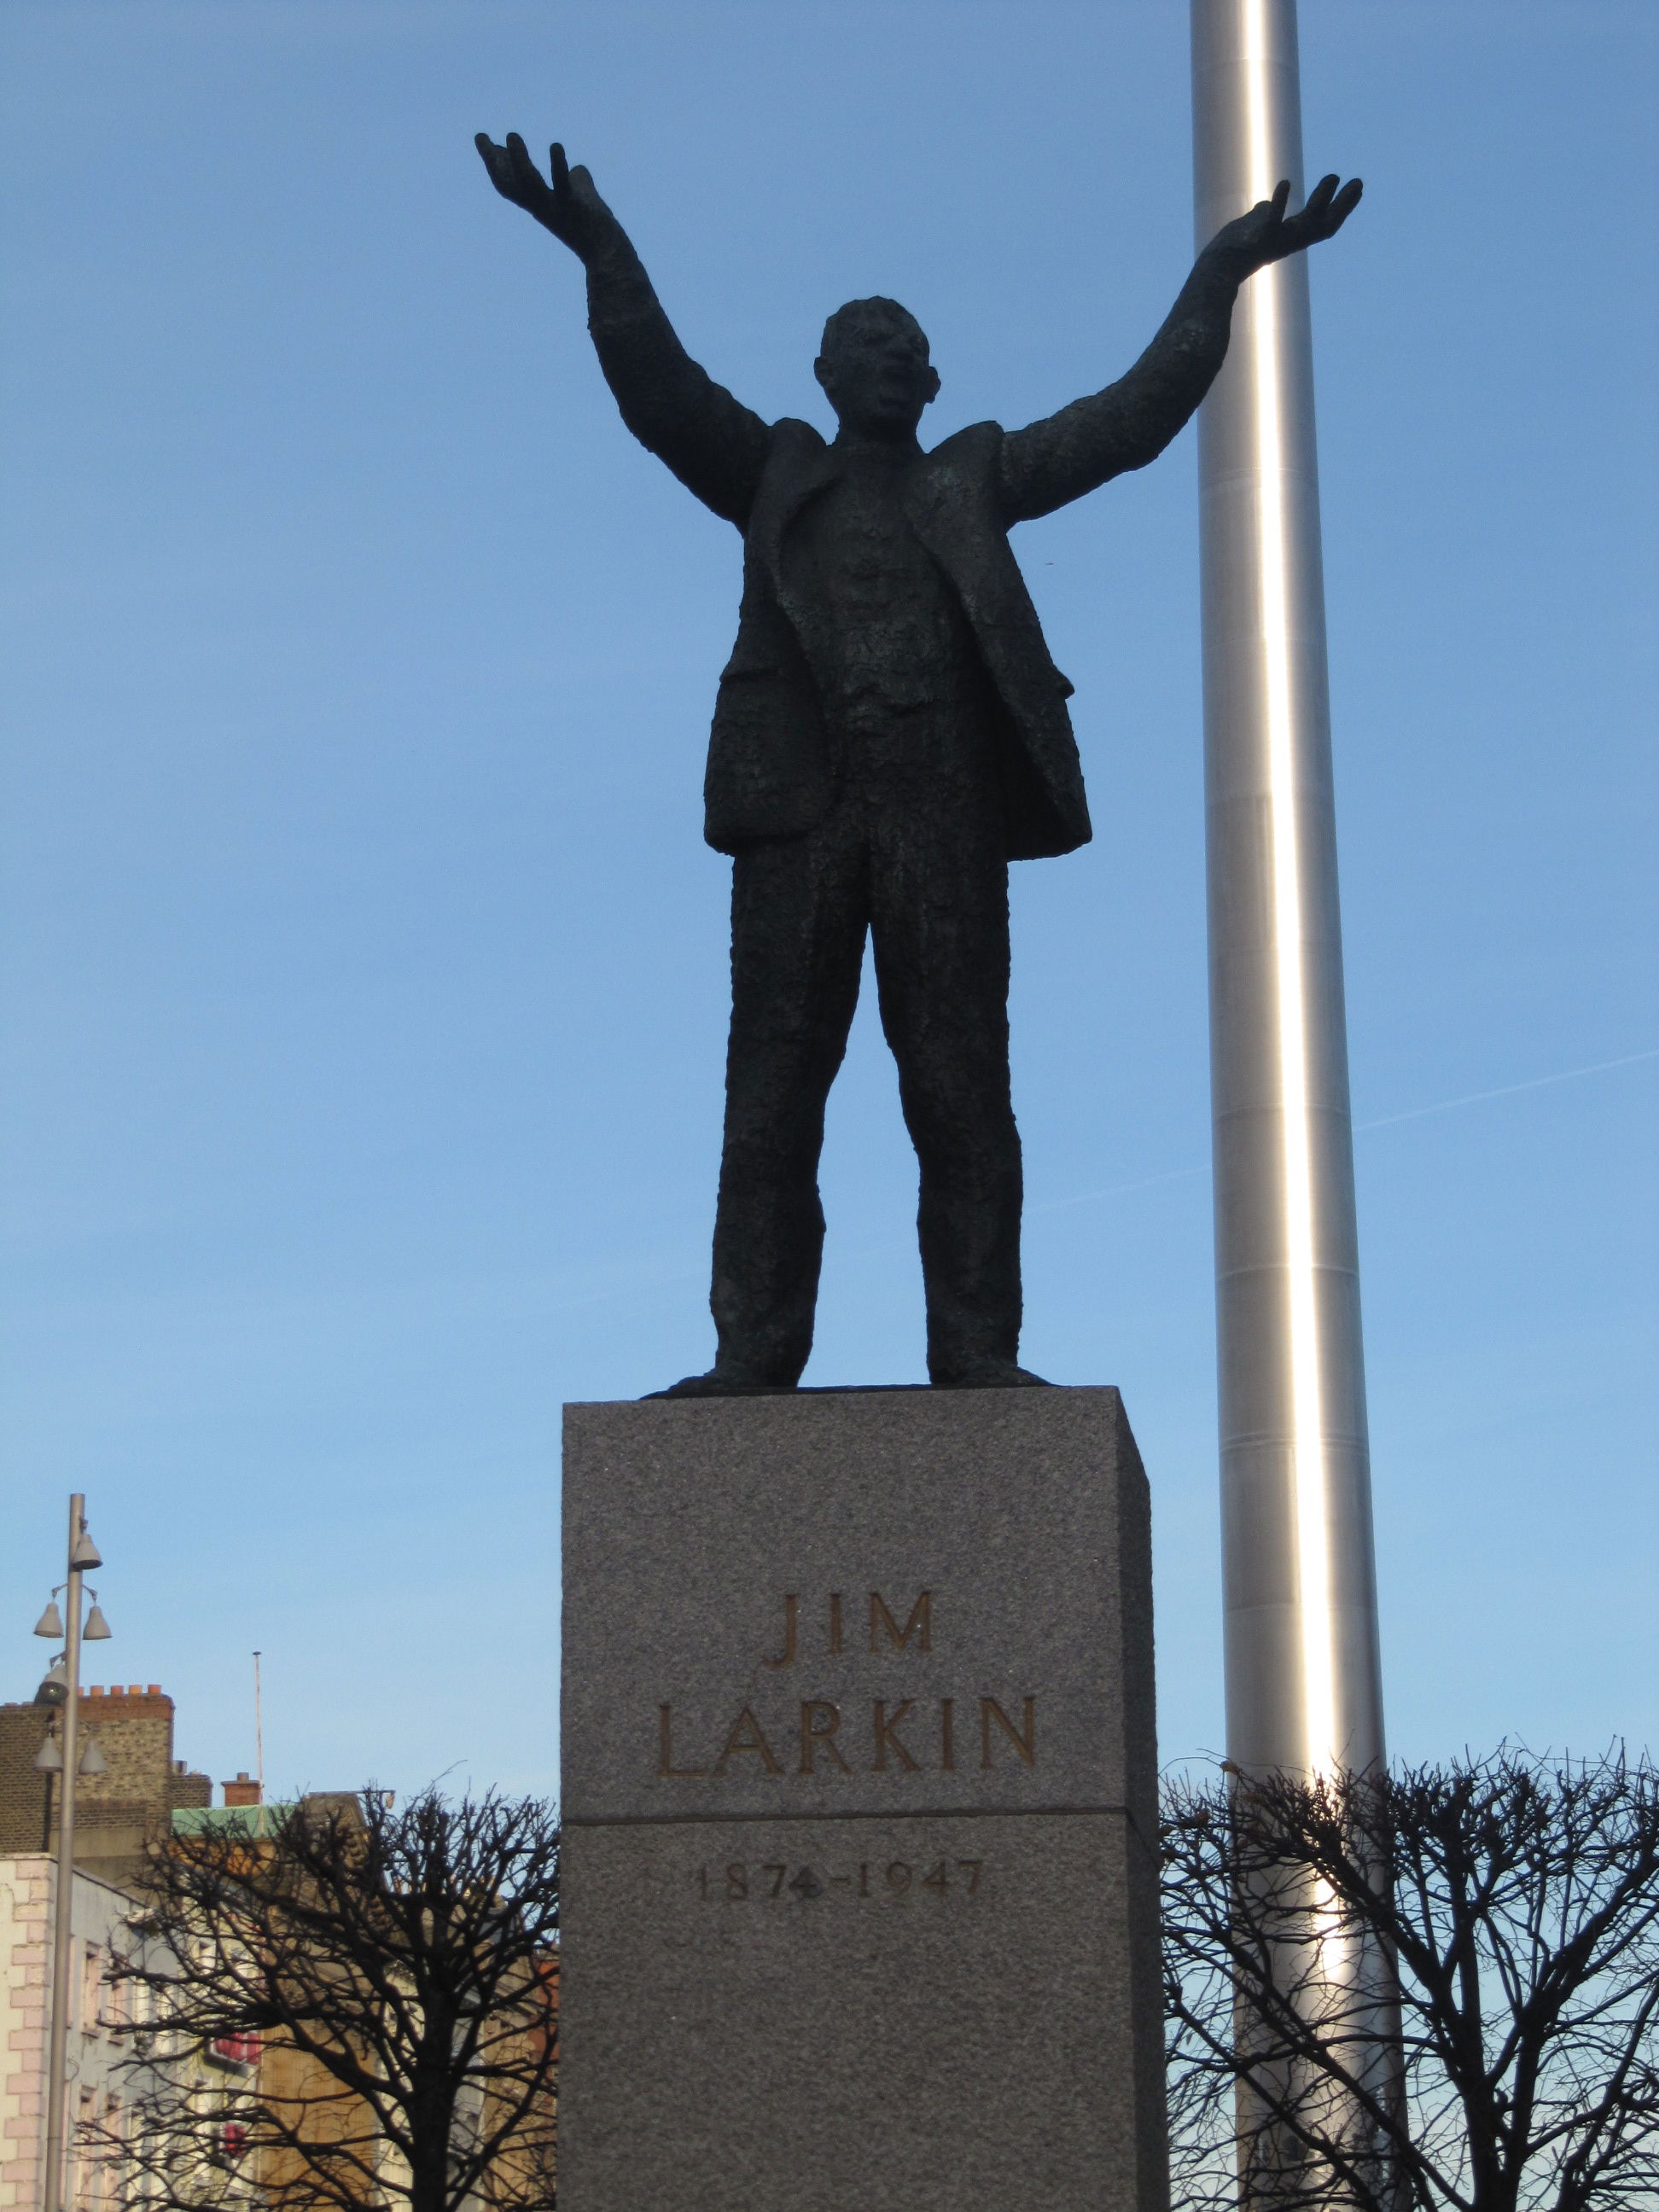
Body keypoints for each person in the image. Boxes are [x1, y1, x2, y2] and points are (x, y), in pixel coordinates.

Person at [475, 132, 1360, 1395]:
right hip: (800, 817)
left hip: (940, 818)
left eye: (908, 353)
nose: (889, 366)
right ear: (827, 375)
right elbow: (660, 393)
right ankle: (752, 1354)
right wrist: (599, 248)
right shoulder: (774, 469)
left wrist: (1220, 278)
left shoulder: (976, 477)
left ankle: (978, 1350)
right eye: (866, 351)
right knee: (772, 1099)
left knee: (959, 1094)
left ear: (932, 382)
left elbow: (1130, 420)